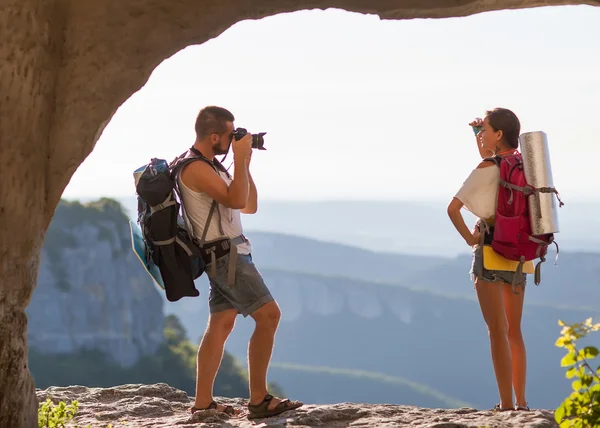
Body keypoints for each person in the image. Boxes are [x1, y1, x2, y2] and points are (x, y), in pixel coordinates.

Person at [177, 106, 303, 419]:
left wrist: (243, 163)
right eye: (230, 135)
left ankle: (203, 402)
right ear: (214, 135)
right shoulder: (195, 168)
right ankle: (259, 400)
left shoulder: (213, 166)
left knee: (221, 324)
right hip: (225, 256)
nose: (233, 140)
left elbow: (249, 205)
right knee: (269, 316)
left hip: (229, 253)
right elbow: (235, 200)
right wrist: (242, 158)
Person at [447, 108, 531, 412]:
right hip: (520, 253)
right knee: (514, 331)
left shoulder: (487, 167)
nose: (483, 134)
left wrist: (471, 239)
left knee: (496, 330)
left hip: (490, 250)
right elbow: (493, 153)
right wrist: (478, 134)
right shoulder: (524, 164)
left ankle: (505, 406)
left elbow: (452, 209)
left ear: (498, 135)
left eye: (487, 129)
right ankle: (521, 402)